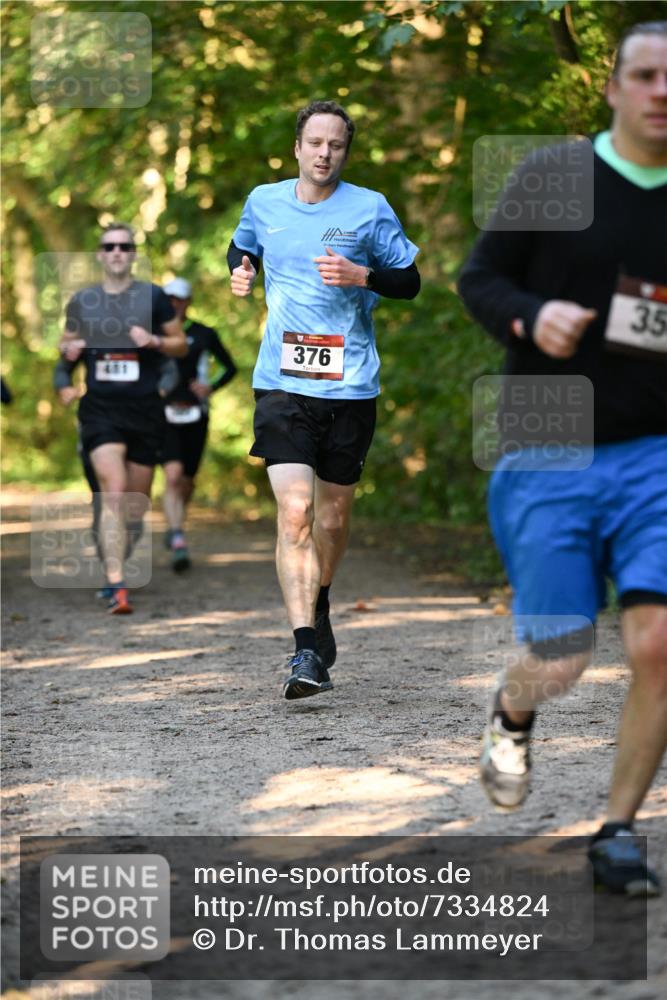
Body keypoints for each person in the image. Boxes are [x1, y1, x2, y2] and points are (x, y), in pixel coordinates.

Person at [458, 22, 667, 896]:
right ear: (613, 88)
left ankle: (616, 831)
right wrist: (528, 314)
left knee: (658, 643)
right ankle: (513, 713)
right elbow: (478, 279)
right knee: (560, 656)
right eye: (645, 74)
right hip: (549, 442)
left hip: (656, 452)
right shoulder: (555, 176)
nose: (661, 91)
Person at [228, 99, 420, 700]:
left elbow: (410, 280)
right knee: (295, 513)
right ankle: (305, 648)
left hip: (350, 385)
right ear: (297, 147)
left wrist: (364, 276)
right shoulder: (264, 202)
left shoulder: (370, 208)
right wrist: (242, 270)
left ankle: (321, 598)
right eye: (315, 142)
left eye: (336, 145)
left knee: (332, 519)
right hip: (282, 382)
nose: (324, 153)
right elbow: (241, 247)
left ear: (346, 152)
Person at [59, 222, 186, 613]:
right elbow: (65, 346)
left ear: (133, 254)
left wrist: (155, 340)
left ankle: (114, 568)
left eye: (124, 246)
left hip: (145, 411)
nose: (117, 252)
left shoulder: (154, 297)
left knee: (133, 508)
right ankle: (117, 585)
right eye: (110, 246)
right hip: (100, 410)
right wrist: (70, 351)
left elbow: (180, 345)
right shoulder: (83, 301)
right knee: (113, 490)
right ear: (101, 254)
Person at [161, 277, 237, 571]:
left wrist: (210, 387)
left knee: (187, 480)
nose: (174, 303)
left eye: (179, 298)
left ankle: (177, 521)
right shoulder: (153, 333)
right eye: (169, 298)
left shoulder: (204, 333)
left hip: (196, 413)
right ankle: (177, 535)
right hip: (162, 414)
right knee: (172, 476)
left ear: (188, 302)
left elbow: (230, 367)